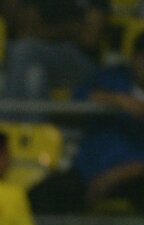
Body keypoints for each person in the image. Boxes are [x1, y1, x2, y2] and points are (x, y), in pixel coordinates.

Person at [29, 34, 144, 215]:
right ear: (134, 58)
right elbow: (80, 97)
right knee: (39, 198)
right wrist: (119, 100)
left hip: (133, 177)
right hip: (89, 171)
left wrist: (113, 177)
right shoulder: (112, 78)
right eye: (142, 57)